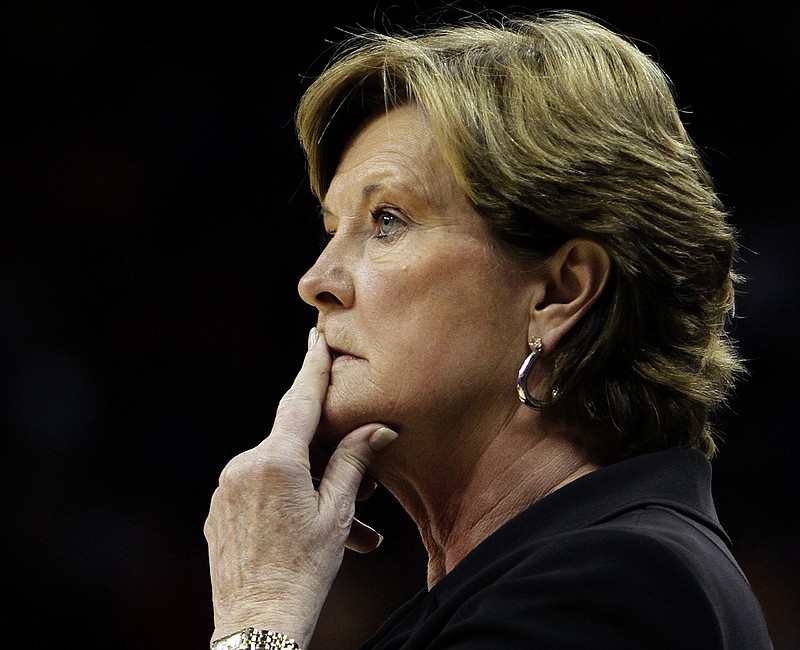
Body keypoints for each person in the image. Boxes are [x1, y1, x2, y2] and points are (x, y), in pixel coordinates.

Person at [204, 10, 774, 649]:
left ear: (561, 292)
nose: (316, 280)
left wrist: (258, 619)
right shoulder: (539, 581)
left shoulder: (613, 586)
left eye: (387, 220)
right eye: (333, 230)